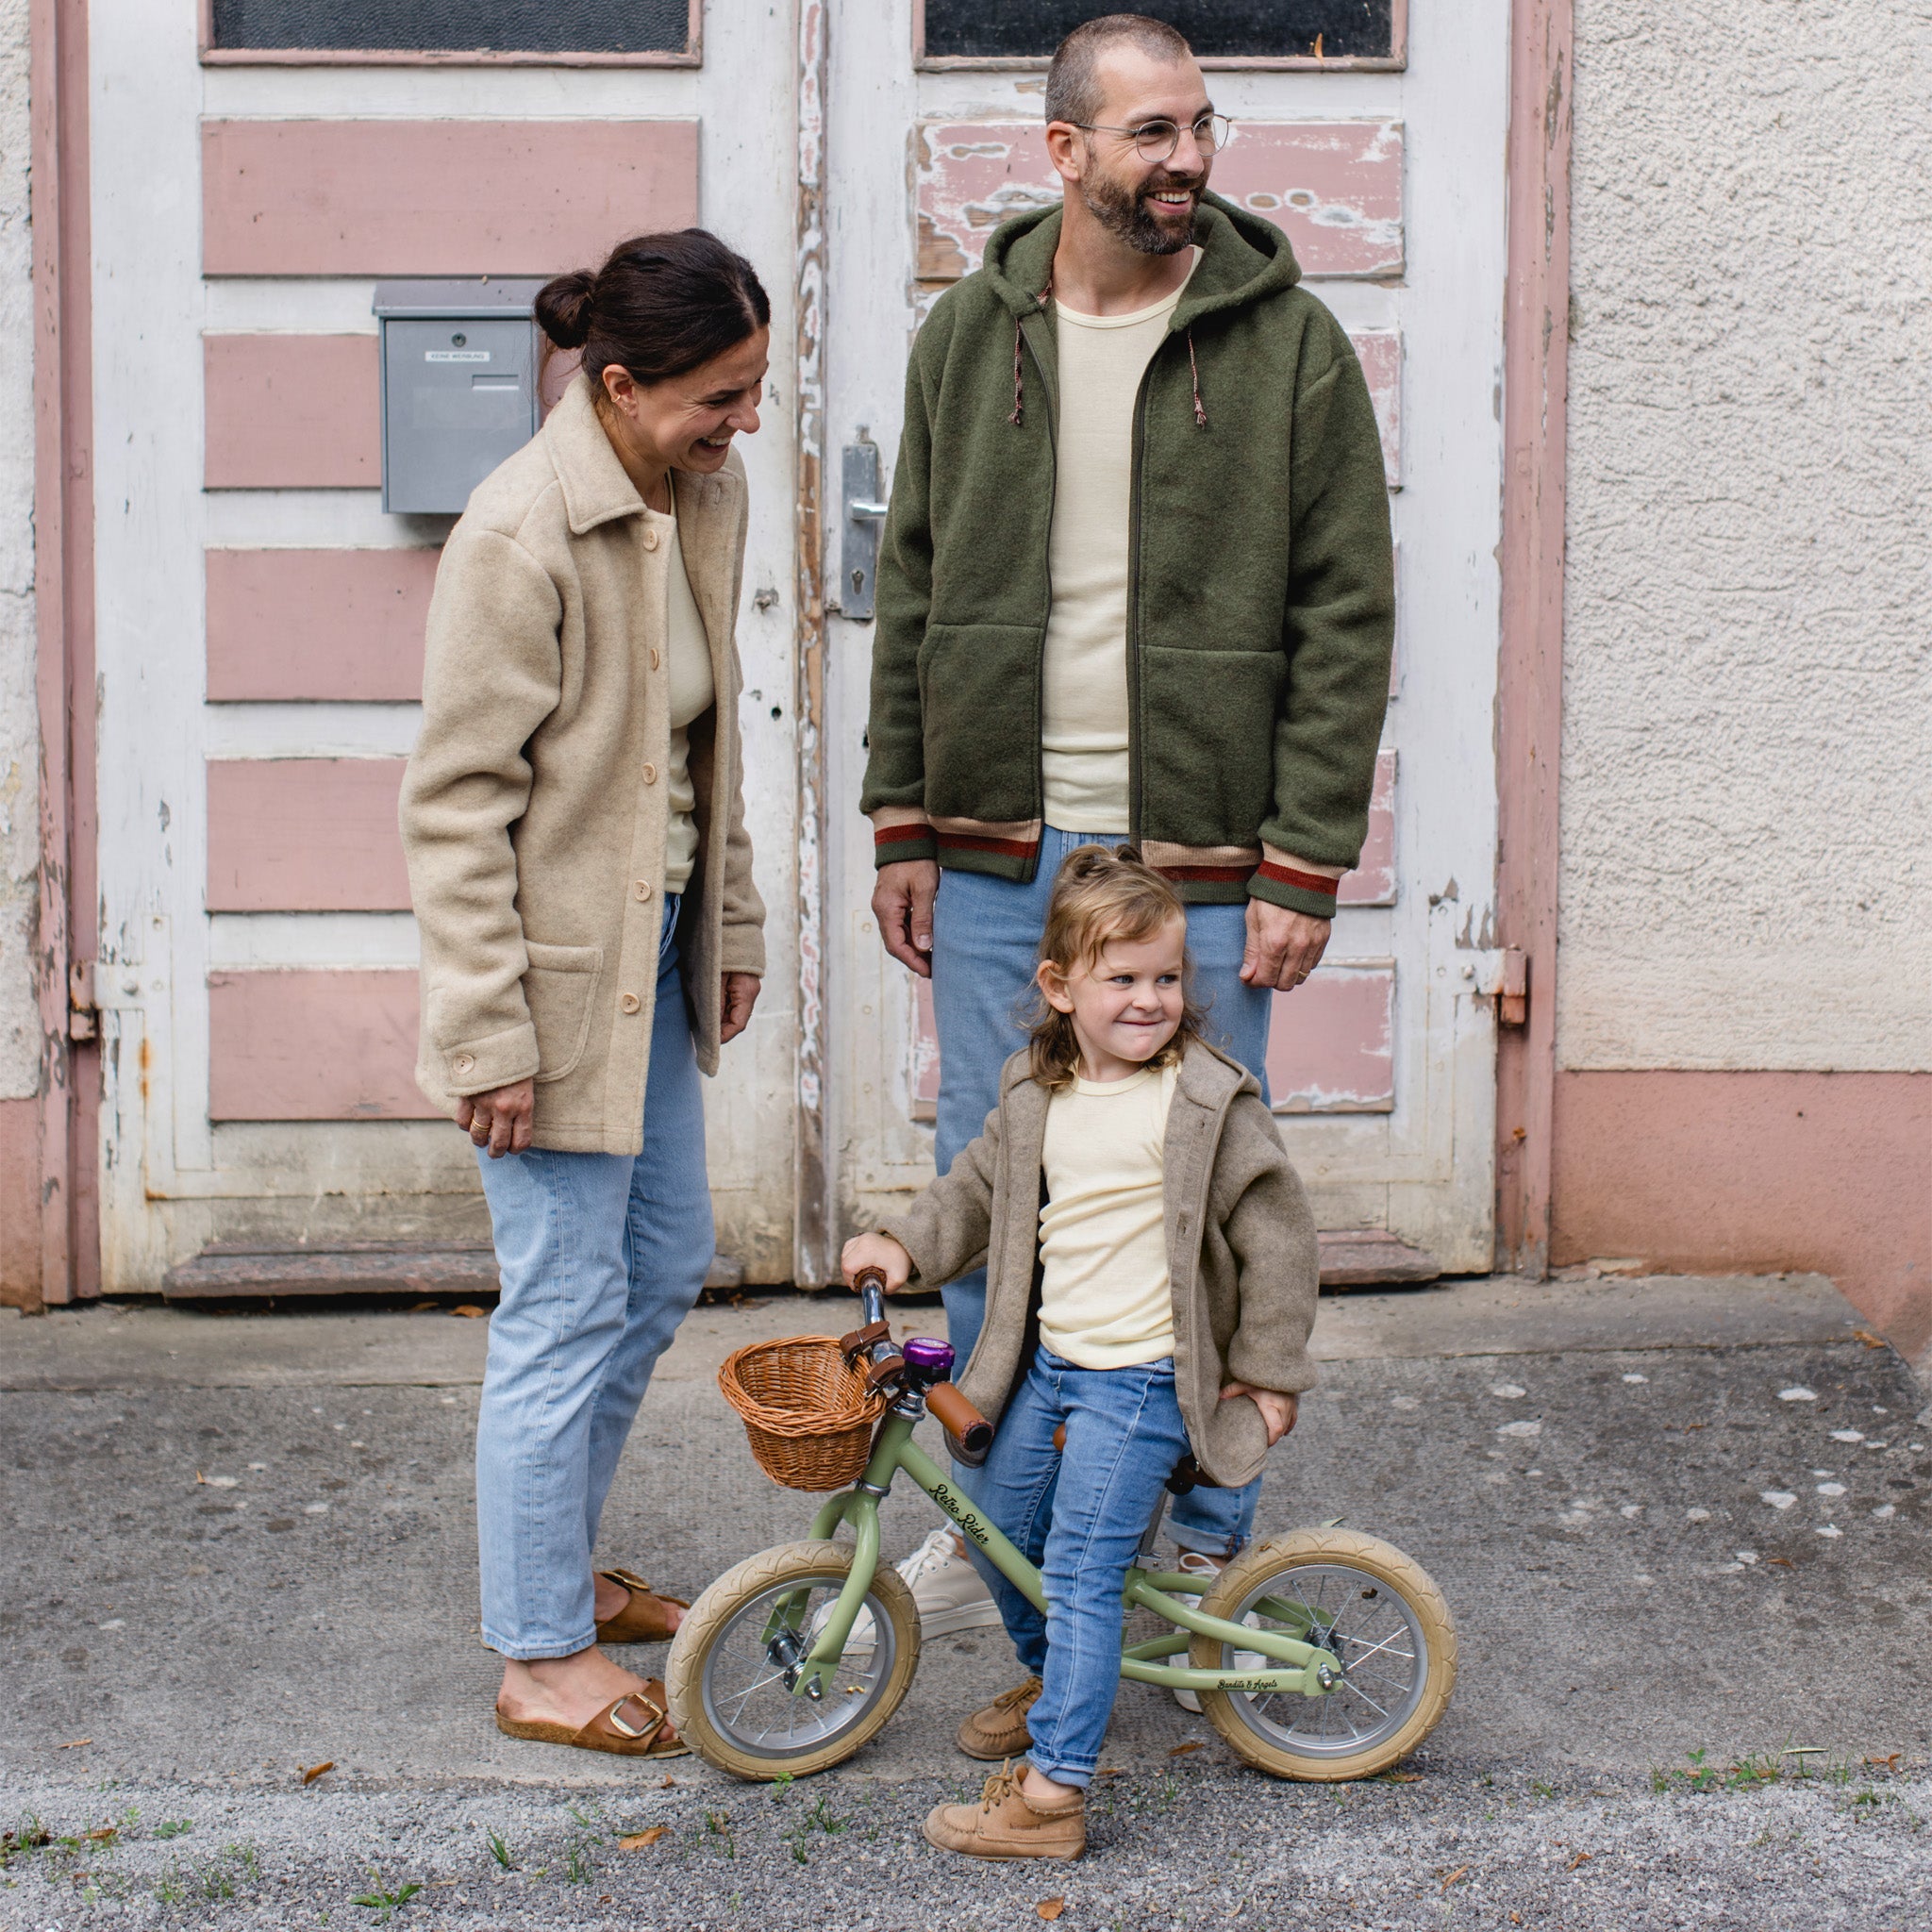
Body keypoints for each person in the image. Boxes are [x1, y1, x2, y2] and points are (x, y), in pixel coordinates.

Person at [860, 11, 1393, 1650]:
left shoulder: (1284, 340)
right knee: (998, 1176)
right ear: (1063, 152)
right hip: (996, 846)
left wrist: (1305, 857)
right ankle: (1000, 1510)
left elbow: (1344, 610)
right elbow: (913, 580)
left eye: (1200, 127)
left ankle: (1202, 1526)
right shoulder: (968, 331)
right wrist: (901, 816)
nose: (1187, 160)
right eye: (1152, 132)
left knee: (1207, 1193)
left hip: (1200, 863)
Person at [399, 229, 770, 1758]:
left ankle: (555, 1560)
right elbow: (455, 805)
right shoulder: (518, 535)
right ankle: (537, 1652)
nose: (742, 421)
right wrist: (485, 1028)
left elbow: (703, 740)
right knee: (561, 1303)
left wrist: (728, 916)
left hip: (650, 946)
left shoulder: (700, 492)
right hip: (546, 984)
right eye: (717, 395)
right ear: (619, 387)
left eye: (753, 388)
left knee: (664, 1255)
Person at [843, 847, 1319, 1859]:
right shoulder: (1035, 1090)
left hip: (1144, 1378)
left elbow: (1277, 1234)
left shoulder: (1202, 1098)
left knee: (1083, 1563)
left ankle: (1053, 1794)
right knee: (997, 1531)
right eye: (1121, 978)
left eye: (1164, 977)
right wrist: (903, 1242)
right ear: (1060, 987)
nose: (1148, 1000)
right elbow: (971, 1189)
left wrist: (1268, 1373)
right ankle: (1054, 1673)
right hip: (1051, 1364)